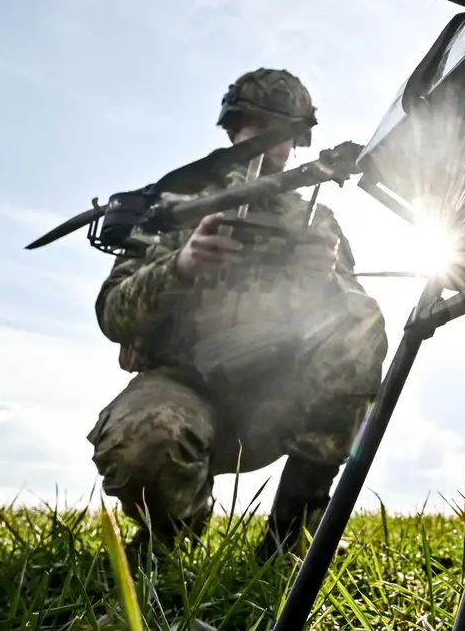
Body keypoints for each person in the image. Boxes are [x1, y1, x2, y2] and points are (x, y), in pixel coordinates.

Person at [86, 69, 388, 561]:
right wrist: (181, 266)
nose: (267, 144)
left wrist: (322, 278)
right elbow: (112, 314)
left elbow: (357, 326)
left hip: (277, 397)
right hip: (185, 387)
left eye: (282, 133)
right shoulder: (174, 207)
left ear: (298, 140)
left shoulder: (316, 219)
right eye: (254, 127)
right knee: (144, 439)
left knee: (360, 321)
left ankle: (291, 537)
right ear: (232, 128)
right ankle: (172, 537)